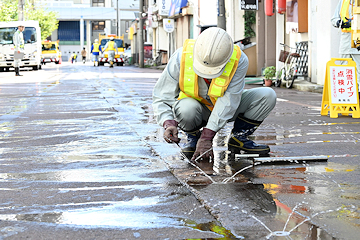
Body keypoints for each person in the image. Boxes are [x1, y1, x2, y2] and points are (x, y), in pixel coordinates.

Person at [152, 27, 277, 162]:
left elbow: (229, 101)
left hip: (224, 109)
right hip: (194, 111)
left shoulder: (239, 60)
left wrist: (207, 137)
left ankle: (239, 138)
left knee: (267, 95)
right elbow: (162, 95)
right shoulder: (181, 56)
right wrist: (168, 122)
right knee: (186, 109)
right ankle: (193, 138)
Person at [332, 0, 360, 87]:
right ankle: (346, 94)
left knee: (358, 70)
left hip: (358, 41)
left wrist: (353, 23)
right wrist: (339, 23)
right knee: (343, 68)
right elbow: (334, 18)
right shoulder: (344, 1)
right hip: (345, 41)